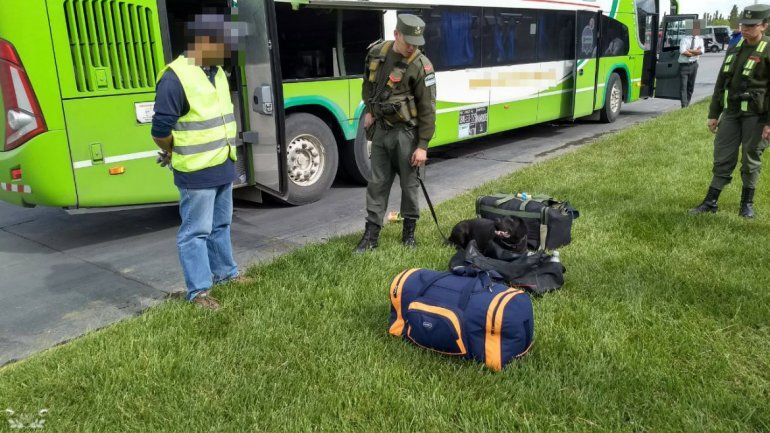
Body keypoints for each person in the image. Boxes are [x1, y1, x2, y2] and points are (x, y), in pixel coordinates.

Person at [151, 13, 242, 309]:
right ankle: (199, 292)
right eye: (223, 44)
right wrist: (171, 149)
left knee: (221, 225)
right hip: (196, 172)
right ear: (203, 42)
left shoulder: (216, 72)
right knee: (195, 233)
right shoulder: (174, 78)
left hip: (222, 165)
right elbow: (160, 130)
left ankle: (227, 274)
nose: (228, 51)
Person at [354, 14, 437, 253]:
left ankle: (409, 234)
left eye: (416, 41)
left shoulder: (421, 65)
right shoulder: (377, 53)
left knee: (410, 185)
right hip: (381, 130)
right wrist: (370, 110)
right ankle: (371, 236)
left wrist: (422, 145)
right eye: (408, 40)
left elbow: (428, 108)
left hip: (407, 135)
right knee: (377, 183)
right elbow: (367, 85)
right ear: (396, 34)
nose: (412, 45)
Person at [690, 5, 770, 219]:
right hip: (732, 113)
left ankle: (746, 204)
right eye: (744, 25)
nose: (745, 29)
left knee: (751, 157)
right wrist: (714, 113)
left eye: (752, 26)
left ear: (764, 25)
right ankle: (711, 201)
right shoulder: (735, 47)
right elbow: (721, 83)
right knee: (722, 155)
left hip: (757, 115)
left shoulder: (768, 49)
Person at [678, 21, 704, 108]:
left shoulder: (700, 39)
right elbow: (683, 51)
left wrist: (690, 51)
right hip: (684, 66)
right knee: (683, 87)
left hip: (694, 65)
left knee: (690, 87)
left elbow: (701, 51)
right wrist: (695, 52)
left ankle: (687, 104)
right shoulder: (684, 39)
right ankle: (684, 106)